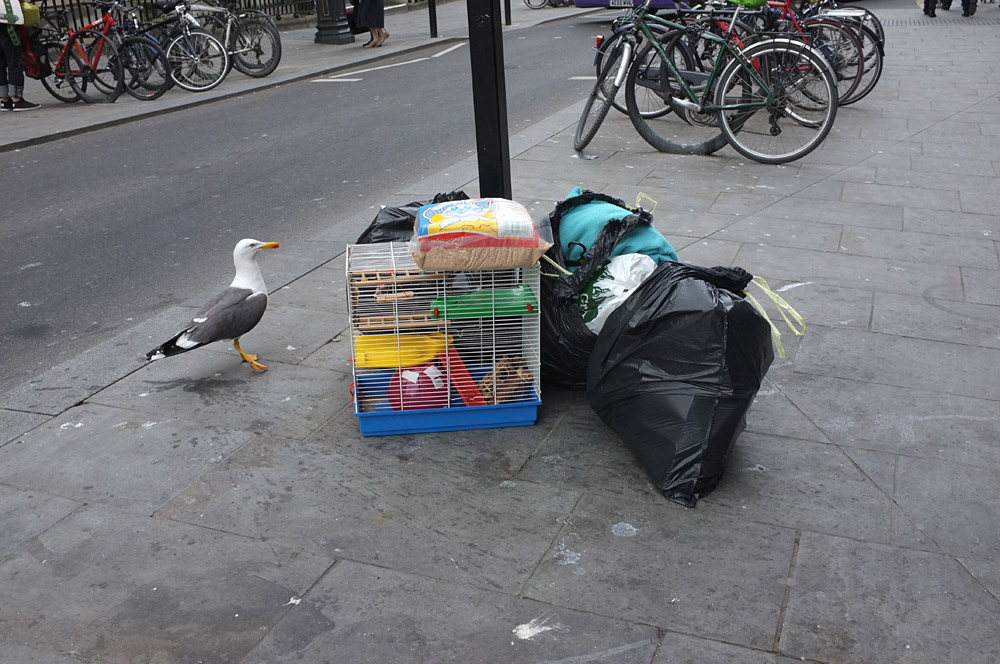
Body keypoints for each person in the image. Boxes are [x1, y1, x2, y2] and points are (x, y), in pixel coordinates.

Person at [1, 23, 39, 111]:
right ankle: (16, 99)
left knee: (1, 62)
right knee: (14, 60)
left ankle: (4, 100)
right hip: (7, 22)